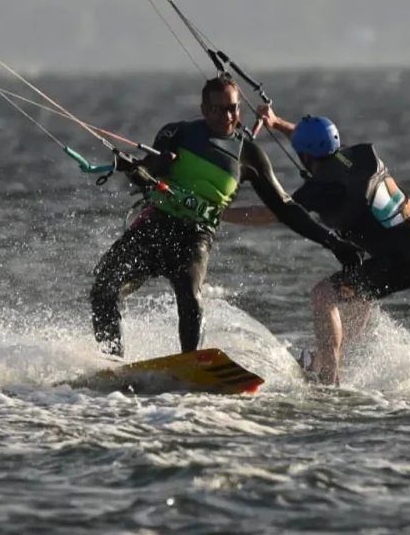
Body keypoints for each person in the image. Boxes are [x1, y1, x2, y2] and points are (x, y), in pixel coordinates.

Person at [89, 75, 360, 359]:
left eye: (232, 108)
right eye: (217, 109)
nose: (227, 116)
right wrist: (136, 169)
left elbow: (285, 207)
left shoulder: (248, 155)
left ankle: (190, 364)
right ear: (204, 109)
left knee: (190, 297)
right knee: (103, 289)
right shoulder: (177, 133)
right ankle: (113, 362)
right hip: (156, 224)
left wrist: (332, 242)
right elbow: (146, 173)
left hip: (194, 237)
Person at [222, 108, 410, 385]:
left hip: (406, 257)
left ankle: (329, 378)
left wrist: (221, 213)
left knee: (323, 295)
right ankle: (320, 361)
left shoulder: (323, 188)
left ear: (305, 156)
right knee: (358, 294)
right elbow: (314, 143)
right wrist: (277, 123)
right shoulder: (356, 156)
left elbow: (270, 214)